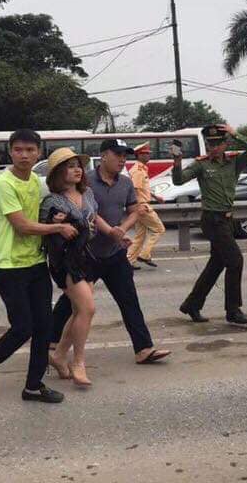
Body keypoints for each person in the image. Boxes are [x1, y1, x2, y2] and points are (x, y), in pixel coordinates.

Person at [0, 129, 77, 404]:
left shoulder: (35, 181)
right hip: (9, 268)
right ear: (10, 152)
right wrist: (58, 228)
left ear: (38, 153)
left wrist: (55, 217)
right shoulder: (3, 184)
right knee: (23, 328)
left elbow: (40, 214)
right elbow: (21, 226)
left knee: (44, 327)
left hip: (36, 264)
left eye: (30, 150)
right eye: (18, 150)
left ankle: (33, 386)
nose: (24, 155)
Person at [51, 139, 171, 365]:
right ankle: (51, 340)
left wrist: (122, 229)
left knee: (129, 299)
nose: (122, 159)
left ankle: (144, 348)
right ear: (104, 155)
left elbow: (134, 210)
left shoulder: (125, 183)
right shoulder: (85, 182)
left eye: (125, 155)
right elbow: (87, 211)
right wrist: (110, 231)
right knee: (72, 302)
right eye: (117, 155)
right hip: (87, 254)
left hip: (114, 253)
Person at [40, 148, 134, 386]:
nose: (77, 170)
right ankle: (78, 362)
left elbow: (95, 218)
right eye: (70, 166)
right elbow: (46, 229)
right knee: (88, 308)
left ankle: (59, 355)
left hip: (86, 256)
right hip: (65, 260)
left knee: (78, 311)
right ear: (58, 173)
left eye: (78, 166)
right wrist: (57, 224)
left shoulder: (88, 193)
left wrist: (114, 233)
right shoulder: (53, 201)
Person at [172, 124, 247, 325]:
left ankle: (192, 304)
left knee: (216, 264)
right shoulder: (201, 164)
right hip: (212, 220)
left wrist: (235, 134)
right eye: (209, 144)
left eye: (217, 143)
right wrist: (177, 162)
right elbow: (179, 181)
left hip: (227, 219)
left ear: (225, 144)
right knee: (235, 261)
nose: (213, 147)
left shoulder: (234, 162)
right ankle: (233, 310)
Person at [126, 142, 166, 269]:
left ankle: (129, 261)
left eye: (149, 153)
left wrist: (155, 197)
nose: (149, 155)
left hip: (141, 205)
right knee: (159, 229)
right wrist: (138, 206)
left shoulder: (141, 168)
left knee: (140, 236)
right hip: (142, 206)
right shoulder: (138, 171)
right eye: (146, 153)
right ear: (139, 155)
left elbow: (142, 188)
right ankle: (144, 255)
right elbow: (134, 189)